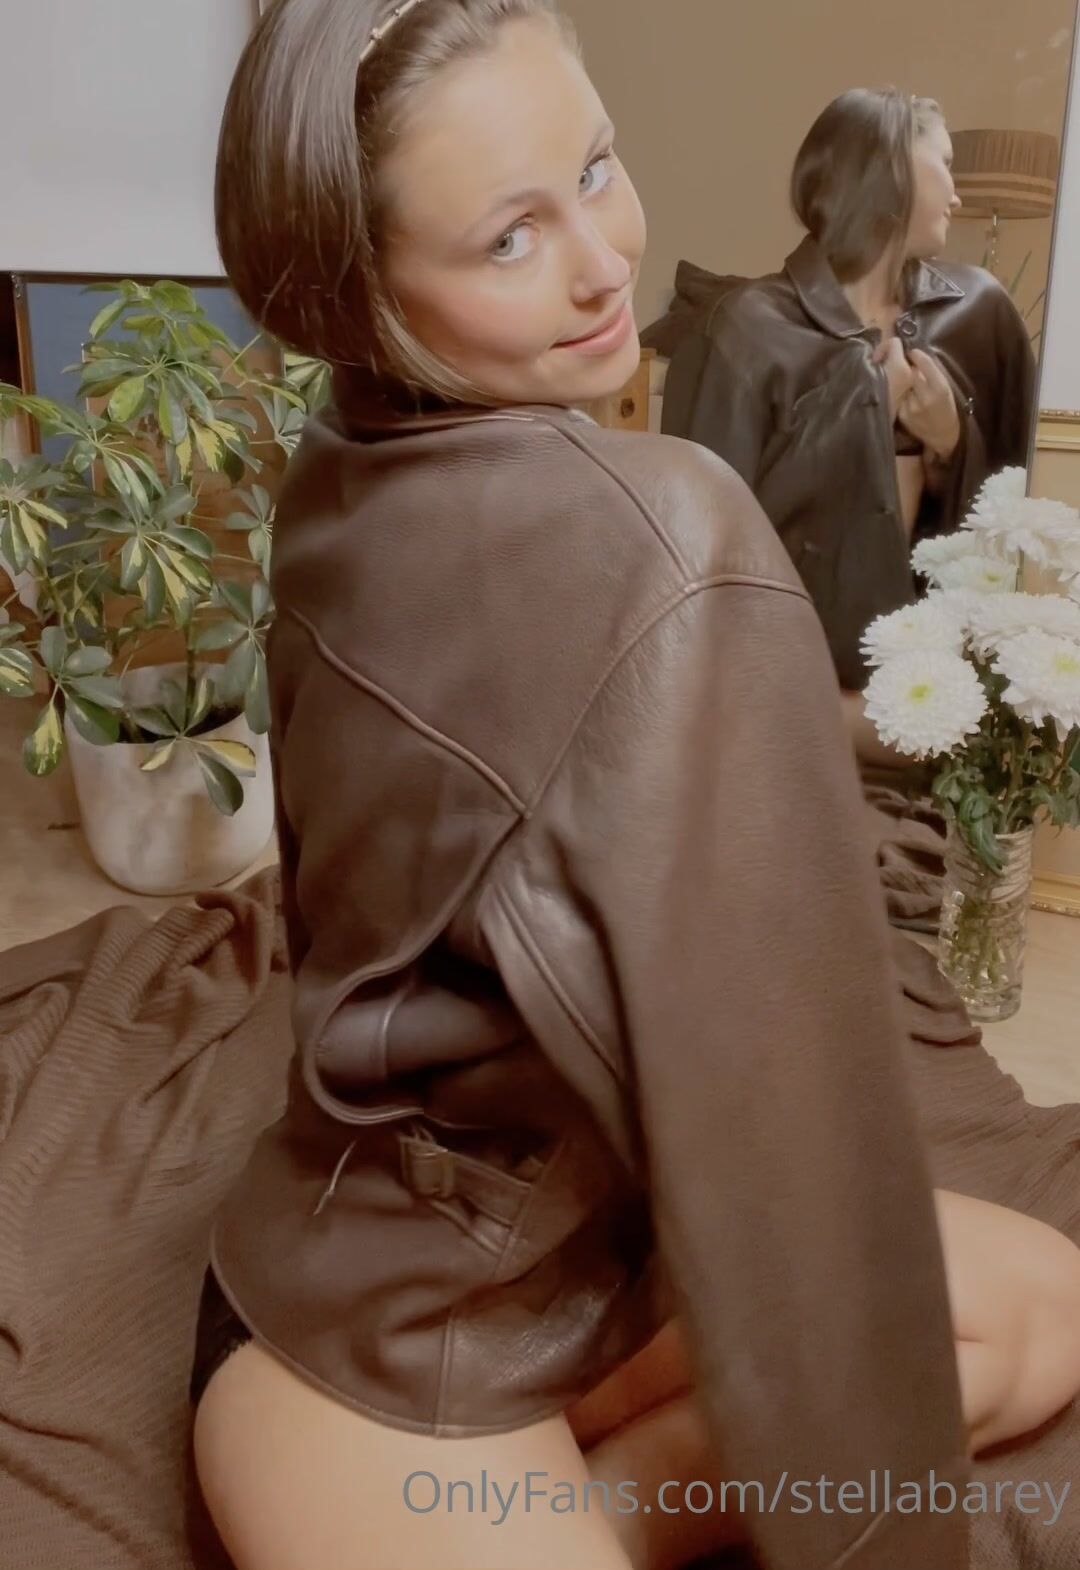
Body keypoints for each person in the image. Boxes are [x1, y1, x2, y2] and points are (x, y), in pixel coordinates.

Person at [192, 8, 1080, 1568]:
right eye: (510, 235)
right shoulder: (668, 537)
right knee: (981, 1340)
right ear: (365, 287)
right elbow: (786, 1140)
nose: (606, 261)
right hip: (389, 1354)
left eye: (595, 167)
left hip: (544, 1257)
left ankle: (575, 1507)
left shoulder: (334, 458)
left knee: (1039, 1306)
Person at [661, 89, 1036, 769]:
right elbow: (705, 542)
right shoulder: (746, 330)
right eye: (945, 164)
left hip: (941, 676)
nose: (957, 193)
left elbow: (1024, 513)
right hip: (790, 672)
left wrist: (952, 443)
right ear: (889, 169)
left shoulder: (981, 313)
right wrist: (865, 407)